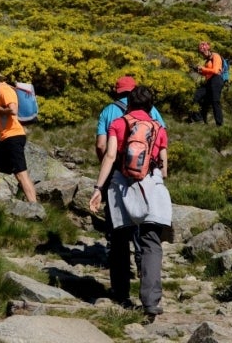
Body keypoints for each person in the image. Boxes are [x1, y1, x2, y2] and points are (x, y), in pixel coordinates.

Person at [89, 86, 169, 317]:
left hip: (120, 184)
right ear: (151, 106)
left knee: (119, 239)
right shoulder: (158, 128)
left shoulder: (118, 123)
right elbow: (163, 167)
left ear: (129, 104)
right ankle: (151, 301)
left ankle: (121, 292)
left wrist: (98, 188)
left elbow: (110, 155)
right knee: (151, 242)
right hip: (150, 184)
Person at [0, 64, 38, 203]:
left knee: (21, 174)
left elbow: (13, 110)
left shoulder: (5, 89)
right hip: (5, 138)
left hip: (13, 137)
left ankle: (35, 207)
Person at [192, 41, 225, 126]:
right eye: (201, 53)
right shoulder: (207, 61)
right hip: (209, 82)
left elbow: (215, 70)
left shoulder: (215, 56)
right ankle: (199, 119)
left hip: (217, 80)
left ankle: (219, 124)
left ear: (208, 49)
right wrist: (199, 71)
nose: (203, 54)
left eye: (204, 52)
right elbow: (207, 73)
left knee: (215, 101)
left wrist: (203, 68)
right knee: (196, 96)